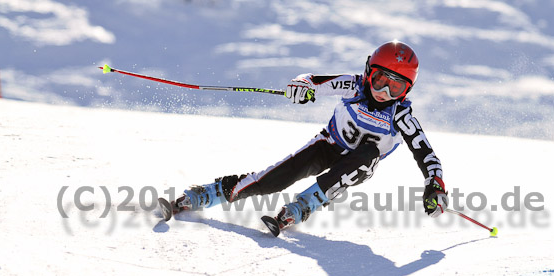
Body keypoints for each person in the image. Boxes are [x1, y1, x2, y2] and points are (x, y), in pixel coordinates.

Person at [167, 40, 449, 235]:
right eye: (379, 81)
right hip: (327, 145)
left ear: (407, 90)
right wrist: (301, 87)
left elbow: (427, 155)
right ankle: (208, 193)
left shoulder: (401, 116)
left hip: (358, 165)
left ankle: (307, 203)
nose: (383, 92)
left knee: (368, 154)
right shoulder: (353, 85)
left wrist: (435, 186)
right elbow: (311, 80)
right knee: (272, 180)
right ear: (368, 72)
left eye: (395, 87)